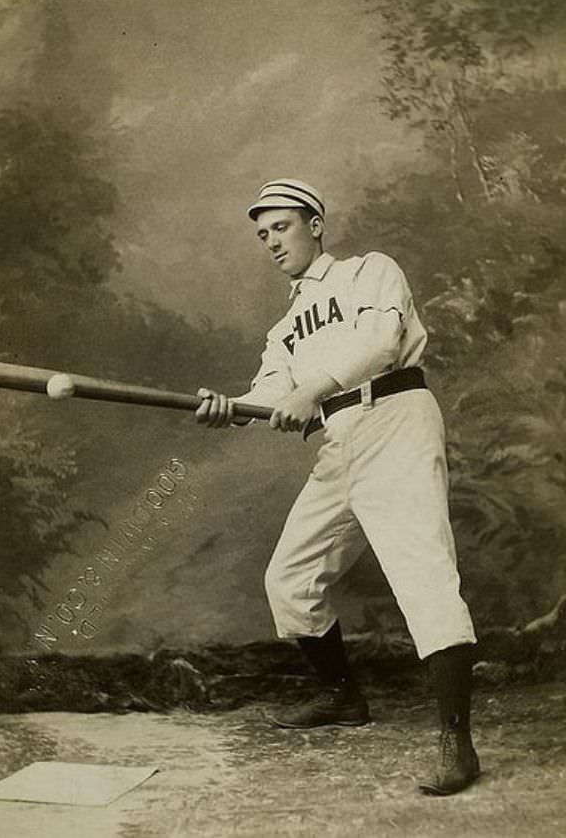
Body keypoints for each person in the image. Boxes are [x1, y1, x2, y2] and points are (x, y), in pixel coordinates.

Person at [196, 178, 480, 796]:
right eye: (263, 234)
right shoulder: (284, 329)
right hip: (339, 438)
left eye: (282, 227)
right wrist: (229, 406)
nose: (271, 242)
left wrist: (309, 390)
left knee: (422, 570)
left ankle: (456, 739)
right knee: (291, 580)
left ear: (315, 225)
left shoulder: (367, 271)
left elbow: (381, 343)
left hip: (395, 416)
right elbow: (269, 396)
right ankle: (342, 696)